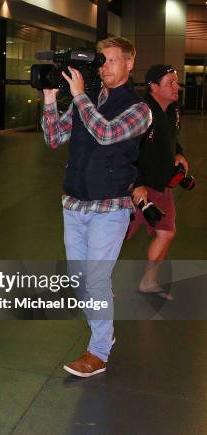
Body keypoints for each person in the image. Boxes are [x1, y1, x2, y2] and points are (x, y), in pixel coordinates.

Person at [41, 36, 152, 377]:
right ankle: (106, 332)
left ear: (130, 63)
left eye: (112, 60)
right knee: (80, 282)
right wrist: (49, 100)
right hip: (74, 203)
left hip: (110, 206)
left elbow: (105, 133)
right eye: (100, 61)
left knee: (97, 280)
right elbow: (54, 138)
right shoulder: (86, 99)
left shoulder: (139, 109)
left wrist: (77, 96)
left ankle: (99, 352)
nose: (103, 67)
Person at [126, 65, 188, 301]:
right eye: (170, 82)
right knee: (117, 237)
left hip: (162, 187)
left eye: (177, 82)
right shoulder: (141, 113)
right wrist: (137, 184)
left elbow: (172, 139)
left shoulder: (172, 111)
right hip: (141, 188)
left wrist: (179, 152)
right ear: (153, 86)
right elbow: (128, 151)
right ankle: (95, 286)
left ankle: (148, 282)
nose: (176, 87)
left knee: (166, 233)